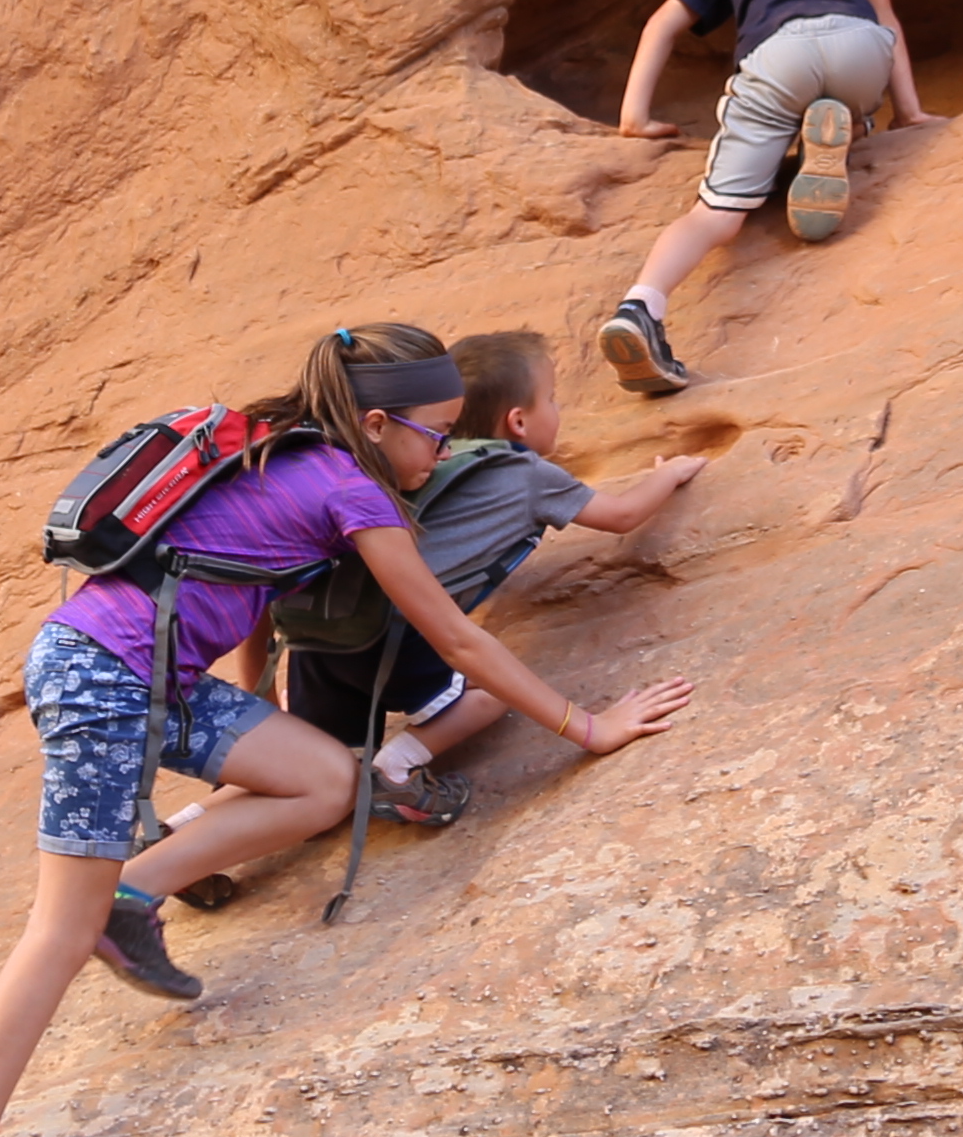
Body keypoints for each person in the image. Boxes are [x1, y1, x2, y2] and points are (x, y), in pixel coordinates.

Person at [0, 323, 695, 1137]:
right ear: (376, 422)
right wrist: (588, 727)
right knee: (56, 932)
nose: (444, 450)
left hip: (146, 670)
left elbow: (243, 583)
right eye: (436, 433)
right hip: (105, 679)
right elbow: (459, 642)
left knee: (326, 780)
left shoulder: (277, 451)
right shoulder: (348, 488)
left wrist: (249, 723)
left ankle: (136, 895)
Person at [274, 328, 708, 828]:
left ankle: (179, 828)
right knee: (492, 690)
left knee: (313, 764)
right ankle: (395, 767)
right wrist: (667, 475)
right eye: (552, 399)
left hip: (319, 640)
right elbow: (623, 515)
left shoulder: (403, 461)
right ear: (518, 421)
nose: (558, 408)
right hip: (388, 641)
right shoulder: (527, 476)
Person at [596, 0, 934, 395]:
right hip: (857, 45)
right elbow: (886, 13)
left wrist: (635, 118)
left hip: (776, 56)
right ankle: (836, 134)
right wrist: (912, 112)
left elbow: (663, 22)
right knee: (853, 93)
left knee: (715, 216)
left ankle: (640, 309)